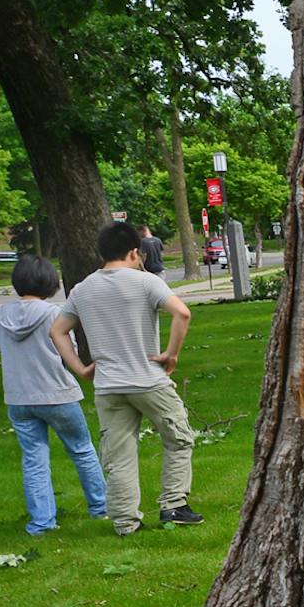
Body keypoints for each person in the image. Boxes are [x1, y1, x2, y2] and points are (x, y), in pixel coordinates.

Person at [50, 220, 202, 535]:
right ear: (135, 252)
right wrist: (171, 355)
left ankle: (124, 522)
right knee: (179, 437)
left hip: (108, 385)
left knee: (118, 455)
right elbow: (182, 313)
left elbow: (57, 331)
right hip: (148, 379)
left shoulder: (83, 289)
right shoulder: (146, 282)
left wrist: (80, 368)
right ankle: (173, 504)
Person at [0, 255, 107, 535]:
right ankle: (101, 508)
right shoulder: (54, 314)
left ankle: (42, 522)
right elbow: (69, 350)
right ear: (50, 283)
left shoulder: (2, 315)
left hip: (19, 397)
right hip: (57, 394)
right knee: (82, 450)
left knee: (34, 458)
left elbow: (0, 348)